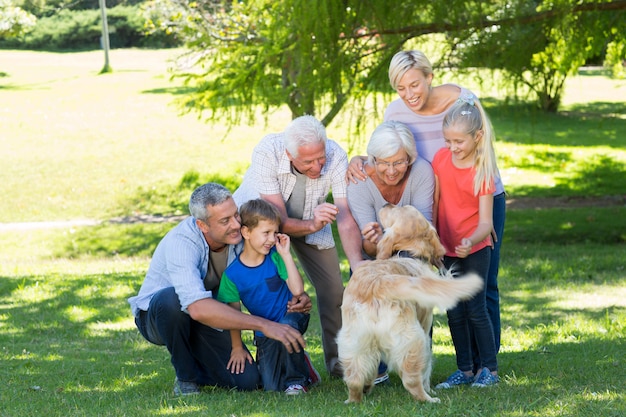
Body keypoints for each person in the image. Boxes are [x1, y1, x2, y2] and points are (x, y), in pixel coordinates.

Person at [347, 50, 506, 364]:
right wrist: (358, 159)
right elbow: (386, 148)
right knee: (451, 283)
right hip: (437, 204)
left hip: (479, 199)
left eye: (414, 85)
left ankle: (487, 360)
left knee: (484, 282)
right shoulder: (396, 111)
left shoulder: (464, 101)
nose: (408, 95)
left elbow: (485, 150)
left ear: (429, 77)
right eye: (400, 88)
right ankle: (466, 365)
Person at [128, 183, 311, 396]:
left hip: (210, 312)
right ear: (202, 225)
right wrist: (266, 325)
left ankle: (200, 365)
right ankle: (186, 379)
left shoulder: (241, 233)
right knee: (172, 301)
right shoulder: (181, 243)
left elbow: (268, 268)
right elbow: (195, 308)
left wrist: (298, 296)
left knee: (247, 380)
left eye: (235, 215)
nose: (235, 225)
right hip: (160, 317)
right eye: (225, 221)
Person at [233, 115, 365, 378]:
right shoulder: (267, 152)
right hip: (261, 228)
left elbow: (345, 215)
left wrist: (357, 264)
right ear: (289, 154)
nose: (317, 166)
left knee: (334, 291)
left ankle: (340, 364)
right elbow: (277, 220)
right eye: (308, 161)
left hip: (311, 222)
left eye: (321, 158)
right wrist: (313, 224)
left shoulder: (336, 155)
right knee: (266, 293)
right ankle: (261, 360)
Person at [217, 199, 319, 395]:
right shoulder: (232, 275)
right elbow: (233, 314)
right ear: (246, 232)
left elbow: (298, 291)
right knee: (270, 387)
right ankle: (305, 367)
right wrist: (237, 347)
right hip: (265, 331)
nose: (272, 239)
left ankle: (296, 381)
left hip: (292, 316)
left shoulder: (275, 256)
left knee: (287, 328)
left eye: (275, 233)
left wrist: (286, 255)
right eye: (266, 233)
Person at [433, 97, 499, 388]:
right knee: (454, 311)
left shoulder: (482, 171)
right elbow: (435, 202)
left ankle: (490, 369)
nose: (453, 147)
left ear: (478, 137)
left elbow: (486, 223)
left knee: (475, 309)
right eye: (448, 140)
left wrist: (470, 240)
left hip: (475, 249)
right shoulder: (440, 160)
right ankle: (465, 370)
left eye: (459, 141)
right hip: (446, 248)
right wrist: (434, 239)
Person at [347, 120, 435, 259]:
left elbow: (425, 235)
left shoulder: (421, 171)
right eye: (384, 163)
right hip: (373, 265)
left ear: (409, 158)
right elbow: (370, 249)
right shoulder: (358, 183)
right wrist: (376, 240)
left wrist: (388, 240)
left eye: (399, 162)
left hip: (414, 260)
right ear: (374, 159)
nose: (391, 171)